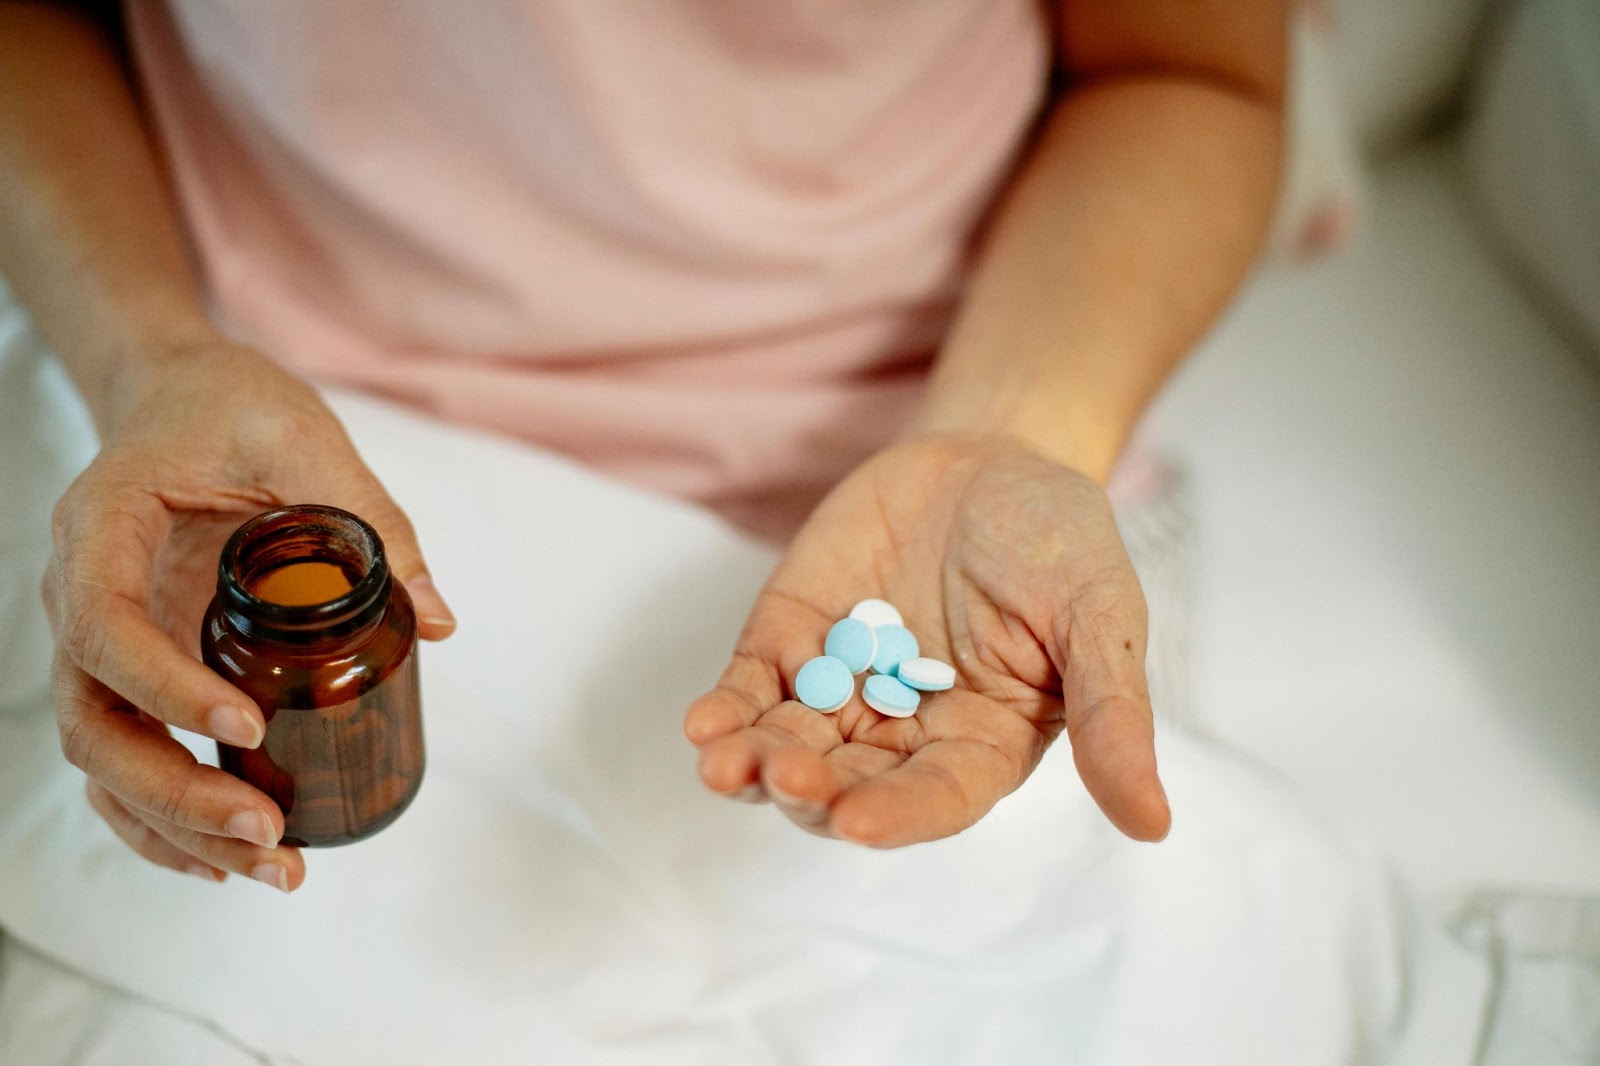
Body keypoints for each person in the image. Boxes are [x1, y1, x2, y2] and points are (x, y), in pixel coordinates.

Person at [0, 0, 1285, 892]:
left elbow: (1191, 67)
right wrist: (147, 362)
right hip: (271, 441)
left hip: (951, 441)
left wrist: (1009, 429)